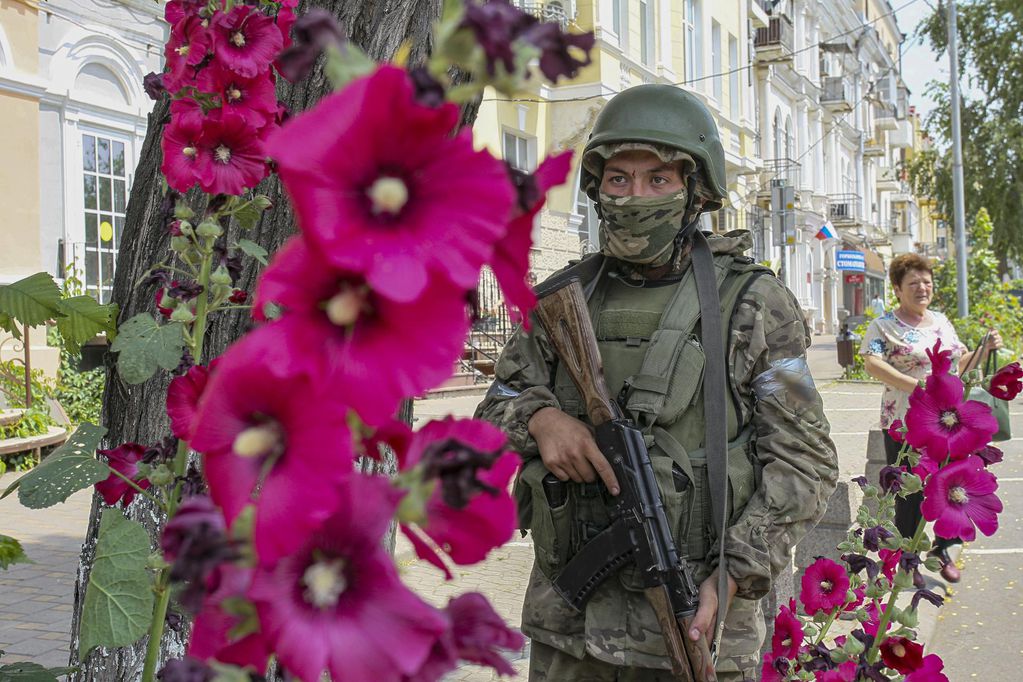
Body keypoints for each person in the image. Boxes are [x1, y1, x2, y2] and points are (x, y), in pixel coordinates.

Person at [475, 84, 839, 681]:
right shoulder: (562, 301)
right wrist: (542, 420)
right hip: (570, 630)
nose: (633, 196)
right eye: (617, 179)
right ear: (596, 189)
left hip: (696, 616)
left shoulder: (753, 303)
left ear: (696, 191)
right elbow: (498, 403)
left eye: (658, 180)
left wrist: (734, 571)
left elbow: (806, 461)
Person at [860, 253, 1003, 583]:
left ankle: (942, 549)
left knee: (953, 482)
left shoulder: (940, 321)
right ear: (897, 288)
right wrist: (918, 386)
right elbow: (871, 363)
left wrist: (984, 348)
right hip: (906, 422)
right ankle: (907, 557)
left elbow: (958, 364)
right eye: (913, 283)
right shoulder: (884, 326)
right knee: (909, 491)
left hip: (951, 424)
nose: (922, 288)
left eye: (927, 282)